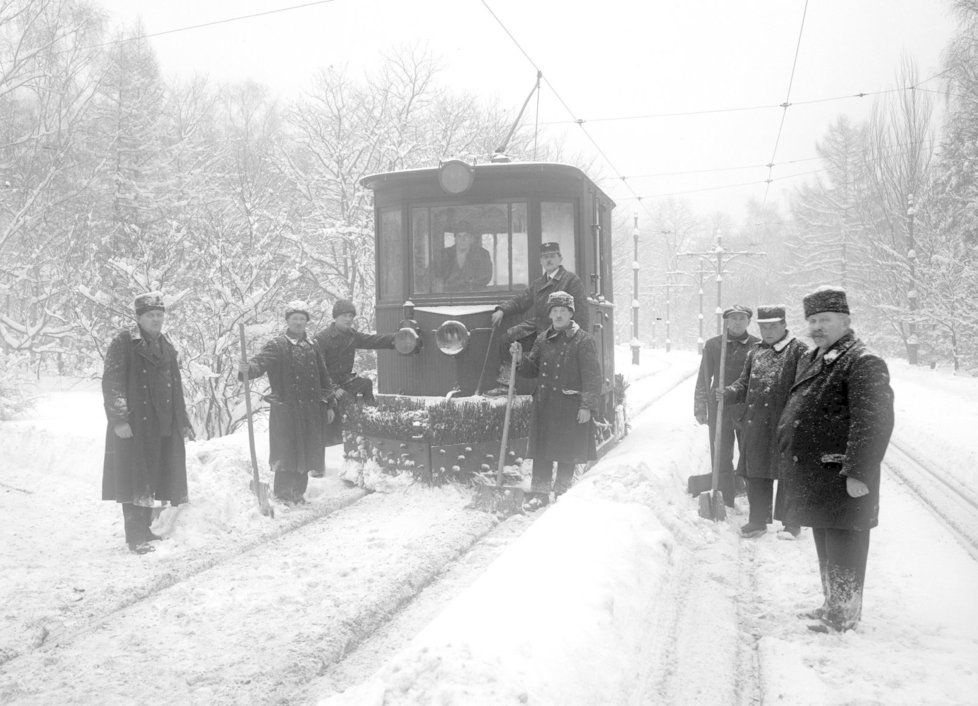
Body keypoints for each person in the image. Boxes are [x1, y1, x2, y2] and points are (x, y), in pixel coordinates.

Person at [776, 286, 894, 633]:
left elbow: (873, 422)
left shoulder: (862, 361)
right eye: (811, 320)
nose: (816, 327)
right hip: (819, 474)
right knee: (826, 540)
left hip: (843, 474)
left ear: (845, 320)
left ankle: (843, 614)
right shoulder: (816, 357)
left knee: (845, 543)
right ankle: (832, 604)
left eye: (824, 320)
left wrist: (859, 472)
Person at [102, 292, 193, 554]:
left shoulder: (166, 345)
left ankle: (145, 530)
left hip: (162, 424)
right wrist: (119, 419)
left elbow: (175, 387)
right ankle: (135, 537)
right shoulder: (124, 342)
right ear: (139, 318)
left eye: (159, 315)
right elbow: (112, 383)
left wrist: (182, 420)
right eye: (150, 315)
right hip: (135, 425)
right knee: (134, 479)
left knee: (152, 476)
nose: (156, 320)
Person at [721, 305, 809, 539]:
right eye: (764, 326)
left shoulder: (798, 351)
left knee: (789, 473)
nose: (768, 331)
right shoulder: (756, 351)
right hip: (756, 423)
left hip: (785, 425)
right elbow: (743, 384)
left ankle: (792, 523)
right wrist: (729, 392)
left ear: (783, 325)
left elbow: (805, 390)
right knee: (756, 473)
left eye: (773, 326)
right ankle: (757, 521)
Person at [512, 290, 602, 511]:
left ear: (571, 314)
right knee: (542, 453)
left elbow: (592, 378)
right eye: (555, 311)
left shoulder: (583, 341)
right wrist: (519, 358)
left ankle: (563, 493)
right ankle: (539, 494)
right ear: (550, 314)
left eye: (563, 311)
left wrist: (587, 406)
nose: (559, 315)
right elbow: (531, 369)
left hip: (570, 407)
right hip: (545, 406)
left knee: (566, 454)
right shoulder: (542, 339)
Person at [238, 301, 335, 504]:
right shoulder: (277, 345)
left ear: (306, 322)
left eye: (302, 319)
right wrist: (249, 368)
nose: (298, 322)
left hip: (311, 409)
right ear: (288, 321)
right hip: (286, 410)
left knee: (307, 450)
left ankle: (298, 493)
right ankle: (283, 495)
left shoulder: (312, 345)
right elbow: (260, 362)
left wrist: (329, 403)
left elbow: (323, 376)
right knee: (287, 451)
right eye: (294, 319)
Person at [486, 241, 589, 396]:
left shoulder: (571, 281)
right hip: (539, 326)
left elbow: (580, 313)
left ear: (560, 258)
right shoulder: (539, 283)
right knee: (508, 339)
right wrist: (502, 310)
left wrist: (575, 337)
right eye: (545, 257)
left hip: (561, 330)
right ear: (541, 261)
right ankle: (506, 386)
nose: (548, 260)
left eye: (552, 256)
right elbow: (522, 300)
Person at [693, 305, 760, 507]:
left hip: (747, 408)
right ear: (726, 322)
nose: (737, 322)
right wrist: (700, 407)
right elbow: (703, 378)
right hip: (719, 408)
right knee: (721, 453)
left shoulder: (758, 346)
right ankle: (726, 498)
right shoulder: (714, 345)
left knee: (750, 454)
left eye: (742, 318)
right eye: (733, 318)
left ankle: (754, 500)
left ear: (748, 321)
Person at [313, 299, 396, 447]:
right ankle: (337, 443)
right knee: (339, 407)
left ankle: (371, 422)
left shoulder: (351, 335)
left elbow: (373, 340)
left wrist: (396, 339)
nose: (348, 319)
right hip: (326, 387)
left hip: (345, 381)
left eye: (351, 316)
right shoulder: (322, 338)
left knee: (365, 383)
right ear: (336, 317)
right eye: (344, 315)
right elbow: (319, 369)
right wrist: (333, 388)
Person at [439, 222, 493, 292]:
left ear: (471, 238)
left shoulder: (482, 254)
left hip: (473, 295)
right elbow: (436, 275)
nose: (462, 240)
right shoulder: (444, 254)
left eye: (465, 236)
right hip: (448, 295)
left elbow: (486, 276)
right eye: (459, 236)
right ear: (455, 239)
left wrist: (469, 284)